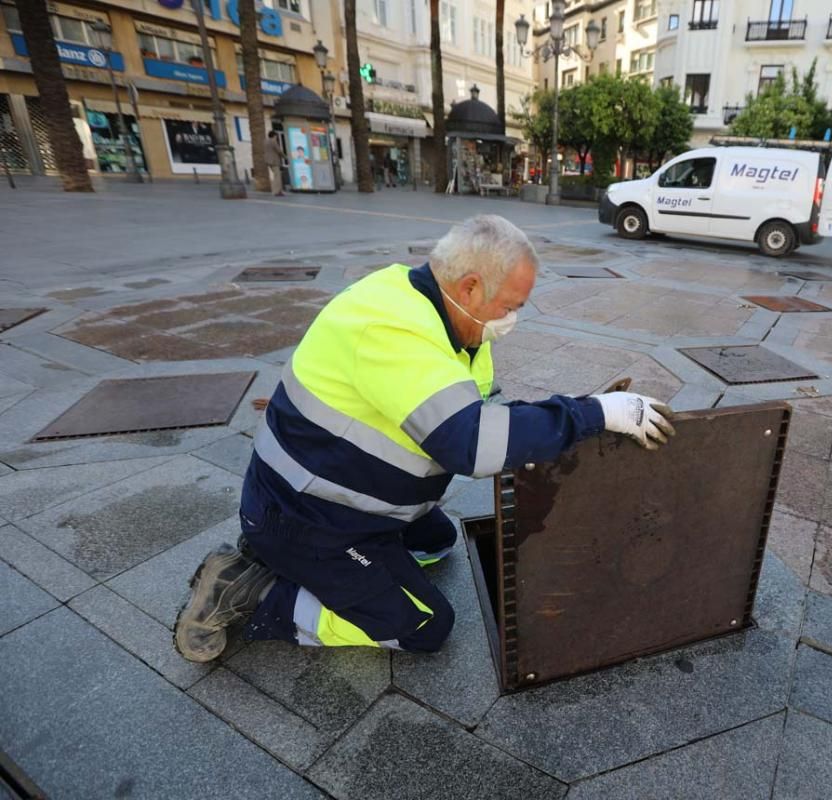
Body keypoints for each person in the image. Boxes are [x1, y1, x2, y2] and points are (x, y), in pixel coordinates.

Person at [173, 215, 677, 662]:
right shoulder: (391, 331)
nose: (513, 319)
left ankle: (317, 566)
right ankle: (252, 590)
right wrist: (589, 414)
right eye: (510, 306)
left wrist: (571, 425)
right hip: (307, 515)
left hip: (336, 493)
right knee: (424, 625)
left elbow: (472, 419)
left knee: (437, 542)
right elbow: (472, 443)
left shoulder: (436, 309)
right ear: (471, 286)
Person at [265, 131, 285, 196]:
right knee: (277, 177)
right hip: (274, 161)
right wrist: (285, 157)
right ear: (274, 136)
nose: (276, 137)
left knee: (275, 176)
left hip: (269, 161)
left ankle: (277, 191)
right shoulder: (273, 141)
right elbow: (279, 150)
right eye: (276, 136)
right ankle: (277, 192)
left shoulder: (265, 141)